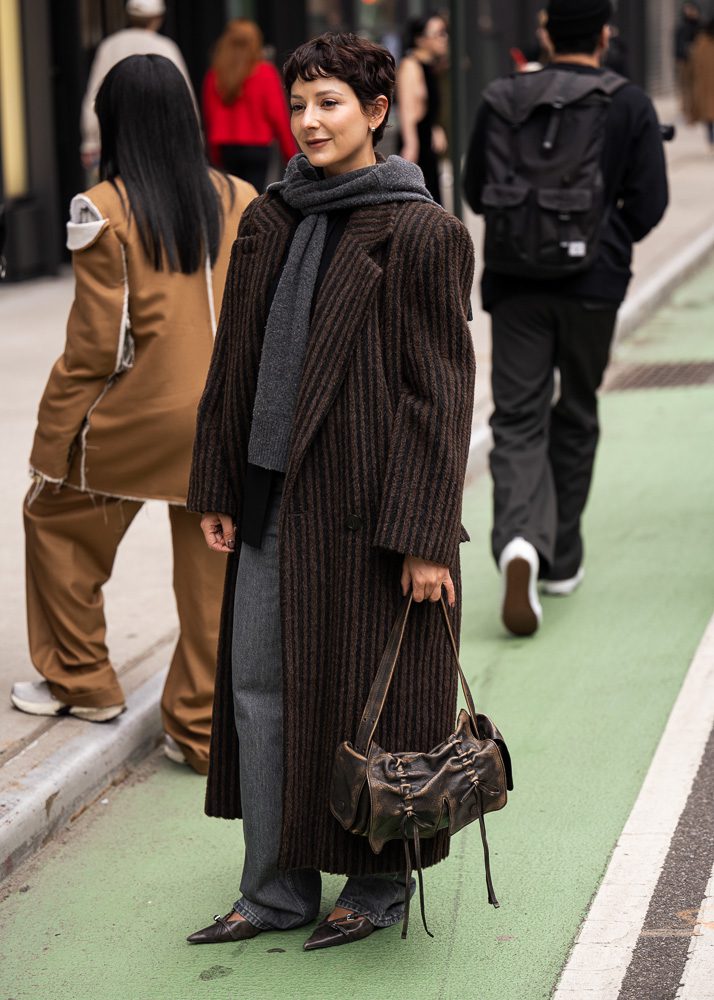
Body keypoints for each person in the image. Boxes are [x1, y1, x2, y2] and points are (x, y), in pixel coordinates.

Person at [186, 32, 475, 950]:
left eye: (330, 105)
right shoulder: (268, 220)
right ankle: (274, 887)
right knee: (262, 692)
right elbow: (233, 365)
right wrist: (218, 483)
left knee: (368, 698)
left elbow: (441, 393)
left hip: (373, 512)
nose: (309, 122)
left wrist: (429, 534)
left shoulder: (422, 231)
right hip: (272, 499)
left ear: (376, 113)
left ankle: (376, 887)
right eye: (299, 103)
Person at [11, 56, 256, 774]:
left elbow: (97, 345)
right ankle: (203, 732)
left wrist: (52, 439)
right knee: (213, 575)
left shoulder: (101, 207)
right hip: (225, 418)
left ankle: (83, 680)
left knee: (53, 515)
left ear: (110, 122)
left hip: (139, 415)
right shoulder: (239, 196)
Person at [463, 0, 668, 637]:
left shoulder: (501, 97)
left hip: (517, 285)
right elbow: (651, 202)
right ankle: (563, 561)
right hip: (593, 288)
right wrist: (605, 242)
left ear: (545, 32)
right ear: (606, 35)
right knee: (576, 409)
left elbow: (474, 192)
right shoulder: (628, 102)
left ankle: (520, 540)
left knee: (518, 417)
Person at [80, 0, 195, 173]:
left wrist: (90, 140)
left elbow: (94, 96)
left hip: (116, 141)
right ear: (157, 17)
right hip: (160, 142)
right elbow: (183, 98)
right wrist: (193, 139)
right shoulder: (165, 47)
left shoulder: (109, 46)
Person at [202, 19, 297, 192]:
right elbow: (278, 116)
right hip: (258, 147)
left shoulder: (215, 75)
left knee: (233, 198)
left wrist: (214, 154)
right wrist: (290, 153)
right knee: (255, 197)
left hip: (226, 148)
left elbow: (210, 118)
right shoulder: (265, 72)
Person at [396, 13, 449, 203]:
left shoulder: (429, 67)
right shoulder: (410, 65)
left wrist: (434, 127)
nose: (444, 39)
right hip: (417, 145)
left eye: (445, 33)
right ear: (420, 39)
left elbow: (424, 106)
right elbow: (407, 110)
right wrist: (411, 146)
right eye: (439, 33)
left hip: (426, 141)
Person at [674, 2, 702, 124]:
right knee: (685, 87)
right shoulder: (681, 27)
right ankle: (687, 112)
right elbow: (677, 45)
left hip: (697, 62)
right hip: (684, 61)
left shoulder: (699, 26)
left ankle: (695, 112)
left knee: (696, 86)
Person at [690, 18, 714, 147]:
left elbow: (695, 62)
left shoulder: (701, 41)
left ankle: (711, 138)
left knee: (709, 114)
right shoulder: (703, 41)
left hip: (705, 84)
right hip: (706, 83)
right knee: (709, 113)